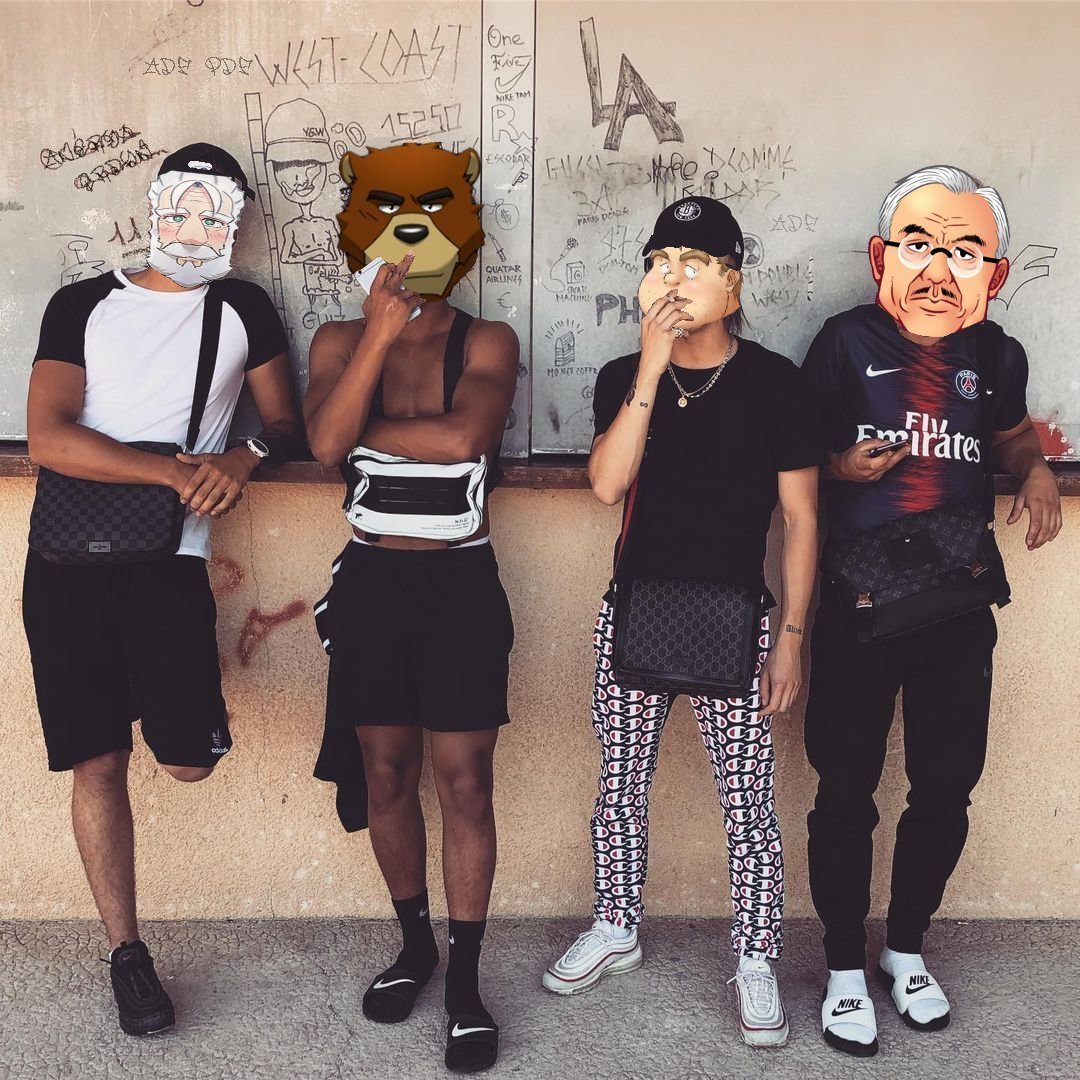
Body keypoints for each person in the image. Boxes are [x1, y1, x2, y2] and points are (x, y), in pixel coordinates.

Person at [23, 143, 300, 1035]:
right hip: (66, 560)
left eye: (213, 213)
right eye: (178, 208)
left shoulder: (241, 307)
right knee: (96, 760)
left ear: (235, 221)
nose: (193, 226)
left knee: (186, 760)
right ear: (153, 208)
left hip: (170, 562)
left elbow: (284, 422)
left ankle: (159, 710)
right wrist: (173, 473)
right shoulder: (82, 303)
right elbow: (49, 437)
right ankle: (127, 956)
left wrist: (242, 457)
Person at [542, 196, 822, 1049]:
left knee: (749, 802)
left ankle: (756, 957)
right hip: (635, 610)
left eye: (694, 264)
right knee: (619, 786)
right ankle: (616, 925)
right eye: (660, 262)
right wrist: (651, 364)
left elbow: (802, 518)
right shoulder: (624, 377)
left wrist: (792, 639)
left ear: (733, 286)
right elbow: (606, 486)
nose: (673, 278)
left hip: (738, 619)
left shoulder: (777, 383)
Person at [802, 165, 1063, 1057]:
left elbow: (1012, 432)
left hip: (956, 599)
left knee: (946, 787)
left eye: (964, 251)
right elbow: (793, 452)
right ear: (883, 257)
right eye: (919, 245)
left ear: (994, 272)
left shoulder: (996, 354)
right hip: (858, 600)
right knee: (844, 789)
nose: (939, 269)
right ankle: (844, 964)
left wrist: (1034, 469)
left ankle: (904, 950)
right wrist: (840, 468)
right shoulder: (845, 340)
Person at [305, 142, 518, 1073]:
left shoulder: (488, 340)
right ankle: (415, 946)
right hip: (372, 584)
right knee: (385, 775)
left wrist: (362, 426)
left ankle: (466, 979)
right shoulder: (338, 340)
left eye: (429, 216)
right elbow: (323, 446)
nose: (409, 237)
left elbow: (467, 435)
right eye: (389, 217)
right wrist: (379, 336)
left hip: (458, 585)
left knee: (465, 783)